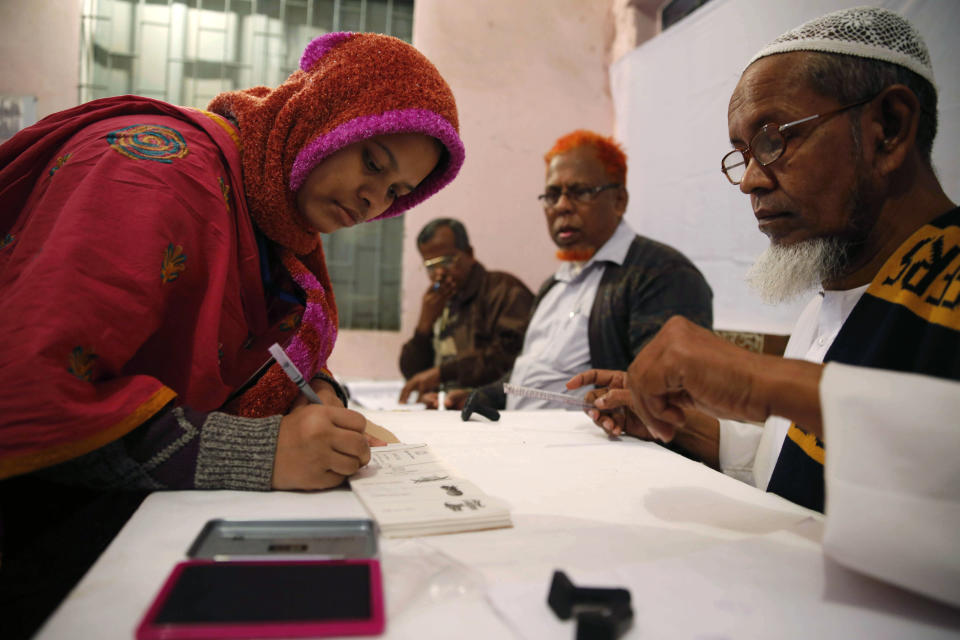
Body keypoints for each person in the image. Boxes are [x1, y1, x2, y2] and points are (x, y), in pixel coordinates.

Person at [0, 31, 464, 636]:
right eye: (373, 161)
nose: (374, 199)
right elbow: (32, 398)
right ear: (325, 117)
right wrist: (264, 454)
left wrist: (319, 393)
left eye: (398, 192)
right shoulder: (153, 173)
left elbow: (266, 352)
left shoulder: (275, 220)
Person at [571, 7, 958, 513]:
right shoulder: (829, 304)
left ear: (889, 127)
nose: (751, 179)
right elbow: (802, 465)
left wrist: (759, 381)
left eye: (774, 140)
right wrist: (686, 429)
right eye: (744, 153)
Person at [574, 322, 960, 607]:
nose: (757, 206)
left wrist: (760, 380)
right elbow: (789, 454)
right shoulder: (818, 303)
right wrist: (680, 426)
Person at [456, 130, 712, 411]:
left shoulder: (661, 275)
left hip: (596, 449)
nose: (562, 206)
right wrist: (490, 394)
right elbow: (536, 372)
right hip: (525, 441)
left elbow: (666, 398)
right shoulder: (554, 285)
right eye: (552, 195)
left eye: (580, 192)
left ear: (619, 201)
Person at [398, 218, 534, 405]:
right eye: (430, 266)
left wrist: (442, 374)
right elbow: (413, 374)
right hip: (446, 409)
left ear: (469, 254)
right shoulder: (439, 301)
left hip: (494, 409)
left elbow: (510, 358)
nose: (439, 273)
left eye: (446, 261)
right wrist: (424, 325)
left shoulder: (504, 290)